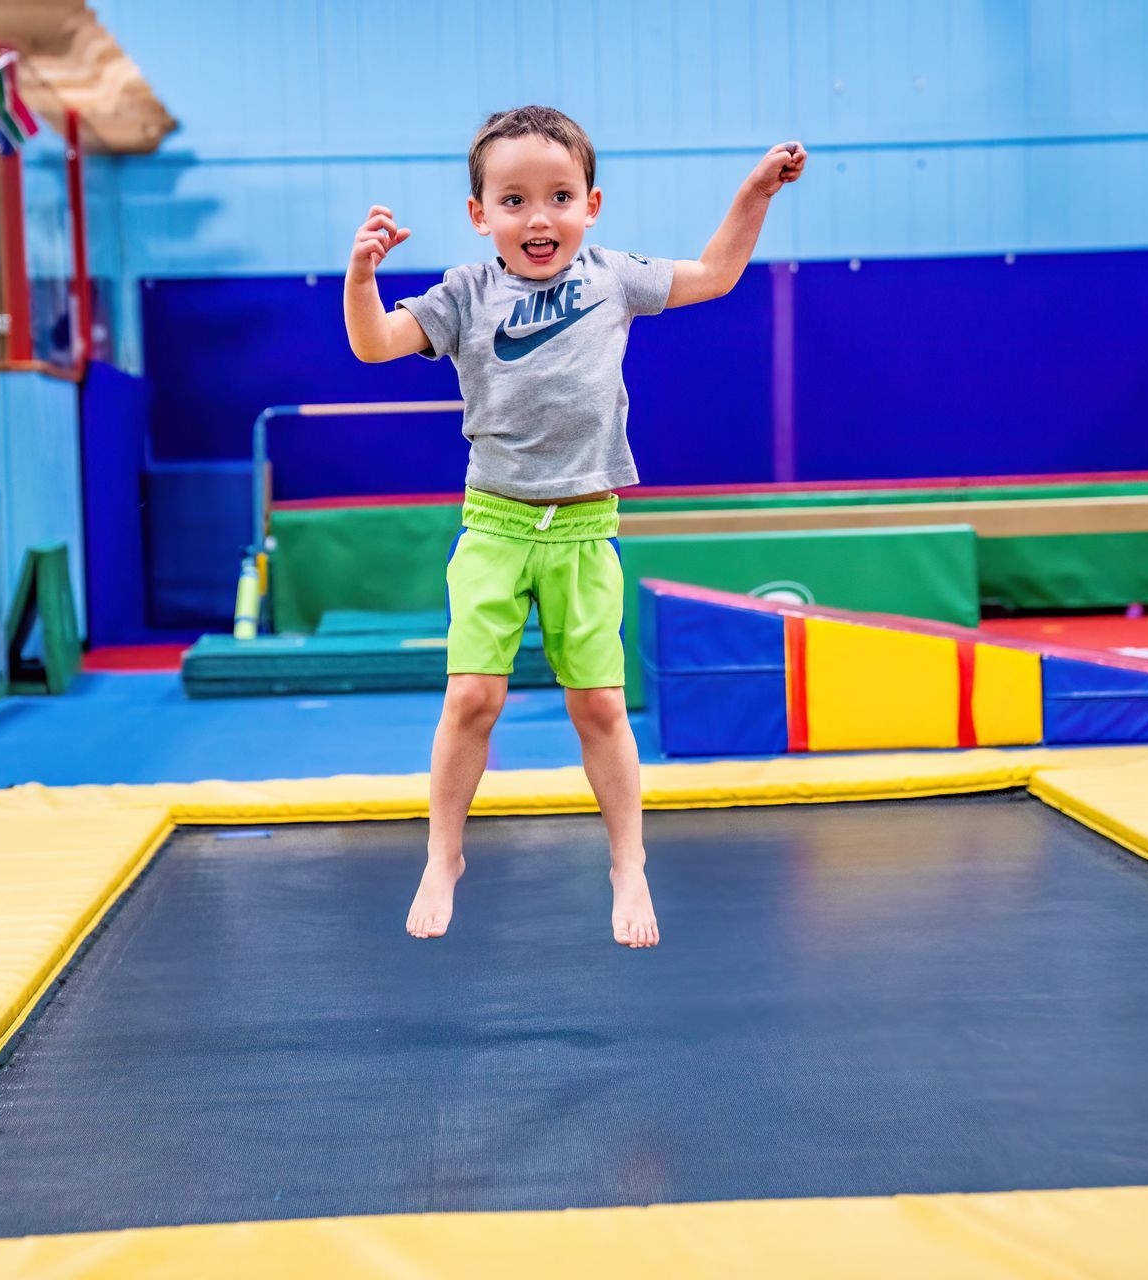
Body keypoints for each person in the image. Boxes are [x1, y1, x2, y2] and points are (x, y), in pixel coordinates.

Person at [343, 105, 805, 948]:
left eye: (559, 196)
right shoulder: (465, 292)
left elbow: (715, 273)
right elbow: (374, 345)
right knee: (472, 696)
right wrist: (362, 274)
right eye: (513, 201)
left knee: (598, 704)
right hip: (494, 525)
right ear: (480, 216)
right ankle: (443, 853)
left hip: (587, 529)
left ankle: (627, 861)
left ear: (591, 204)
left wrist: (754, 195)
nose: (538, 217)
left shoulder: (612, 277)